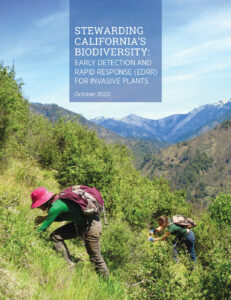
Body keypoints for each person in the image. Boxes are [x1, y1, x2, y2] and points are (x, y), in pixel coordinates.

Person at [30, 186, 109, 278]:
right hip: (81, 225)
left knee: (96, 258)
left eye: (38, 205)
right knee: (56, 236)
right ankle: (68, 265)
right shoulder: (58, 200)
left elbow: (42, 229)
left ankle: (106, 284)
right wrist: (45, 218)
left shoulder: (55, 207)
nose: (38, 207)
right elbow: (65, 215)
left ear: (43, 202)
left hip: (92, 226)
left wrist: (28, 234)